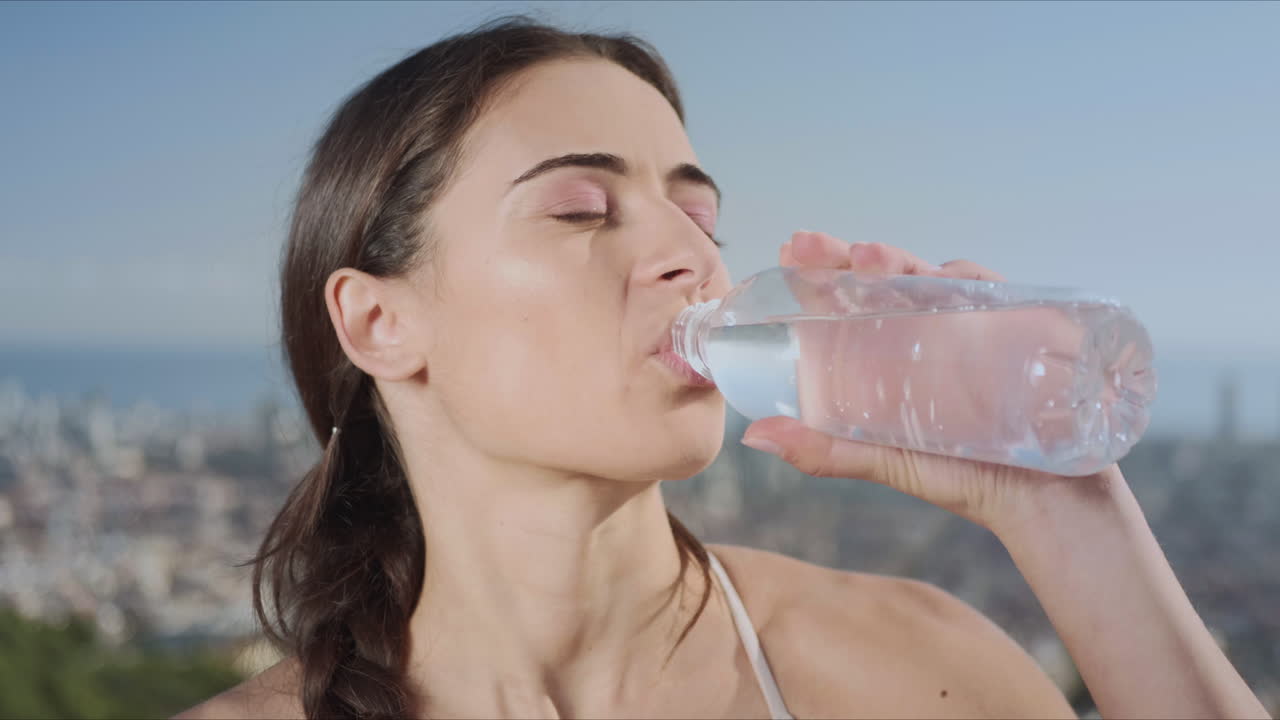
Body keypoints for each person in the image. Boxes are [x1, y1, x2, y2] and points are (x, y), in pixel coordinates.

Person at [175, 16, 1270, 720]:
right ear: (377, 323)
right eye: (579, 208)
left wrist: (1067, 517)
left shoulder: (908, 672)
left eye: (699, 215)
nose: (690, 257)